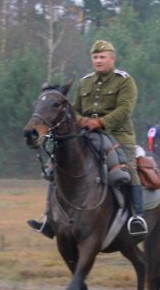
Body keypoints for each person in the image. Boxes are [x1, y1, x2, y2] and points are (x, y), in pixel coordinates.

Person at [27, 40, 147, 240]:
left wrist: (101, 122)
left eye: (102, 57)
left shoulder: (124, 81)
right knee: (57, 165)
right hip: (86, 133)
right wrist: (82, 120)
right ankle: (49, 218)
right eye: (95, 57)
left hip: (118, 135)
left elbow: (125, 110)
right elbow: (74, 109)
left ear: (112, 59)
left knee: (127, 167)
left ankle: (137, 217)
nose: (98, 61)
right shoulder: (86, 82)